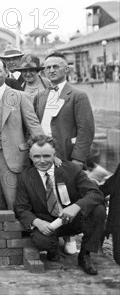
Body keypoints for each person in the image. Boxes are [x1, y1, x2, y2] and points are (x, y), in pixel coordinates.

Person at [14, 135, 105, 275]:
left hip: (73, 218)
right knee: (41, 241)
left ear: (54, 155)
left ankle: (85, 255)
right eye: (37, 156)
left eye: (46, 156)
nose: (42, 161)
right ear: (30, 156)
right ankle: (52, 248)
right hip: (49, 222)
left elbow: (96, 194)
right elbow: (21, 208)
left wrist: (76, 207)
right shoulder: (25, 177)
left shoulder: (71, 169)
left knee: (98, 210)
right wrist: (37, 222)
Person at [34, 52, 95, 254]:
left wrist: (77, 160)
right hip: (43, 154)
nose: (51, 71)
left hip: (66, 155)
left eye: (56, 67)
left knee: (67, 195)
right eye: (47, 67)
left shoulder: (77, 95)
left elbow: (86, 130)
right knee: (46, 193)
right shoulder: (40, 96)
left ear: (66, 69)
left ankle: (70, 237)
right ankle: (50, 235)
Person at [0, 58, 44, 210]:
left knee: (16, 202)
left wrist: (45, 149)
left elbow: (34, 125)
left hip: (14, 157)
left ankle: (21, 232)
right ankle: (0, 233)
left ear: (6, 72)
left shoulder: (20, 96)